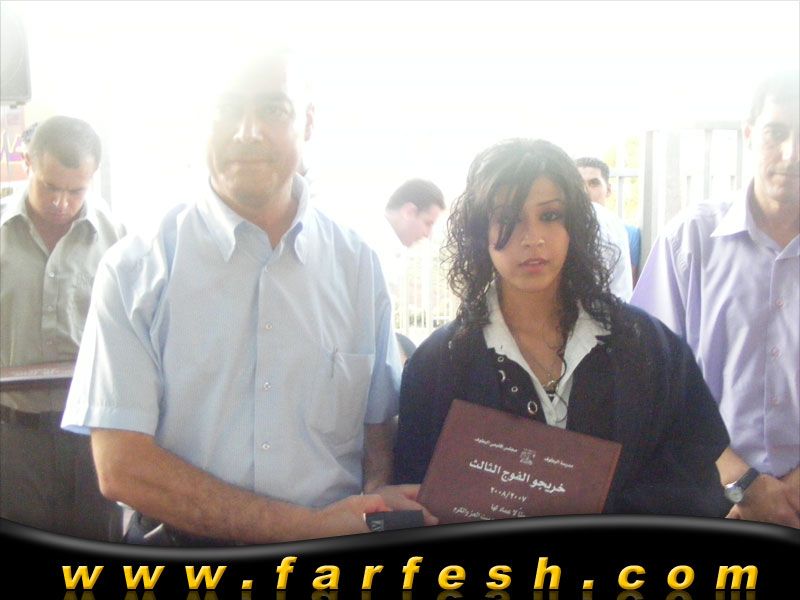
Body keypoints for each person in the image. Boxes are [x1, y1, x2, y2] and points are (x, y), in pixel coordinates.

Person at [61, 52, 432, 546]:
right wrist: (305, 528)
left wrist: (373, 497)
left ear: (308, 122)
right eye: (228, 109)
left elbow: (377, 425)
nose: (247, 131)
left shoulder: (357, 266)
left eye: (273, 110)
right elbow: (122, 467)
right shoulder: (134, 270)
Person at [394, 138, 730, 517]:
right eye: (508, 218)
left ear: (575, 225)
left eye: (551, 215)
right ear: (479, 230)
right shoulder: (438, 365)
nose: (532, 238)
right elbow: (418, 495)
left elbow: (693, 474)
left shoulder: (649, 348)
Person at [631, 71, 799, 528]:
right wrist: (744, 484)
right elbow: (646, 378)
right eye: (777, 133)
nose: (791, 153)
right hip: (707, 499)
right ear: (750, 135)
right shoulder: (691, 241)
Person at [1, 115, 126, 540]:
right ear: (28, 163)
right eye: (50, 186)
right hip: (12, 437)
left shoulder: (118, 241)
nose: (60, 202)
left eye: (76, 191)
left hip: (93, 438)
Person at [575, 157, 634, 300]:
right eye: (578, 184)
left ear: (608, 189)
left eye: (594, 183)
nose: (585, 191)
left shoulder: (629, 233)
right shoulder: (562, 226)